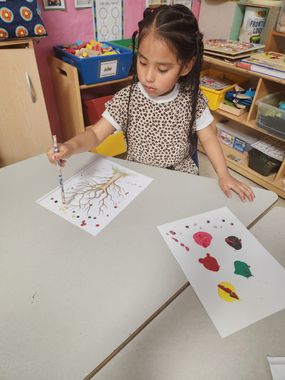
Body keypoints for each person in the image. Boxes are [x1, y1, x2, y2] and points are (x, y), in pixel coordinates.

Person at [48, 4, 254, 202]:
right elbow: (95, 134)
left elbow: (208, 138)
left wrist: (223, 174)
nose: (148, 76)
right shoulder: (127, 98)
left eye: (162, 69)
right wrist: (70, 146)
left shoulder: (192, 99)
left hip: (180, 178)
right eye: (143, 62)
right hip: (138, 178)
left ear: (186, 66)